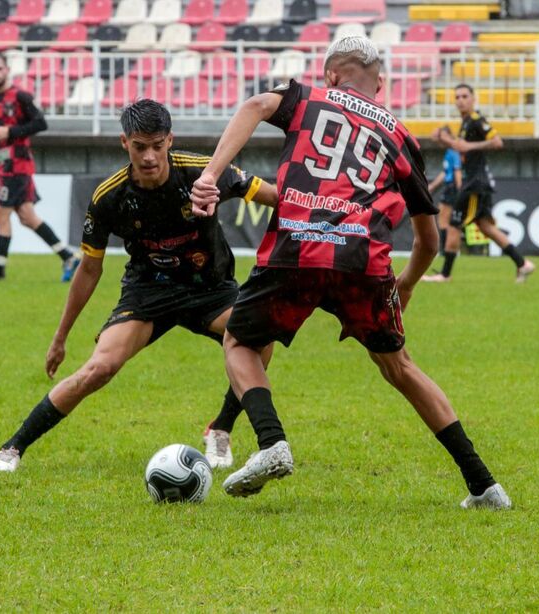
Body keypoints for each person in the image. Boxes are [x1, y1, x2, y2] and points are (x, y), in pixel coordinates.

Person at [190, 37, 511, 509]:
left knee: (239, 342)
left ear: (332, 76)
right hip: (362, 260)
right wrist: (404, 285)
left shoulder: (306, 97)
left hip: (295, 247)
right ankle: (485, 486)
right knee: (399, 368)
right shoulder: (400, 136)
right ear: (379, 83)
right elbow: (428, 242)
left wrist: (210, 176)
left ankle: (271, 442)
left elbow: (256, 105)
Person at [0, 99, 278, 472]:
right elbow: (89, 270)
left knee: (261, 338)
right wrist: (60, 337)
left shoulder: (206, 172)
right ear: (125, 143)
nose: (150, 156)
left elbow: (275, 199)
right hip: (147, 293)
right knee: (99, 369)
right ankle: (13, 447)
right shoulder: (109, 197)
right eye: (140, 146)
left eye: (158, 145)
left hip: (211, 290)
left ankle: (220, 428)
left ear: (170, 140)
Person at [0, 51, 80, 282]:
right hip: (5, 164)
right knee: (27, 217)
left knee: (0, 216)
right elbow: (0, 133)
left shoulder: (20, 96)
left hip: (17, 167)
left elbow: (41, 123)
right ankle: (69, 256)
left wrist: (10, 131)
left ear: (7, 70)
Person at [424, 84, 534, 283]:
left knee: (454, 225)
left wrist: (470, 145)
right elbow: (460, 148)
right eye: (457, 96)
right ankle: (522, 264)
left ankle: (445, 274)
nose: (460, 100)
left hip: (474, 183)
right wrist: (443, 140)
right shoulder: (466, 123)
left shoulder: (477, 120)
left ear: (473, 99)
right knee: (486, 227)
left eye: (465, 96)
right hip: (474, 182)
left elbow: (497, 141)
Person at [426, 130, 461, 248]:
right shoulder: (449, 152)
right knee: (443, 218)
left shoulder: (454, 151)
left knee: (444, 219)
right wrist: (433, 185)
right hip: (450, 186)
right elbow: (446, 173)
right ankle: (445, 249)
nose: (441, 139)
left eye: (444, 136)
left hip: (452, 187)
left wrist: (459, 188)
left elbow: (457, 171)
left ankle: (445, 249)